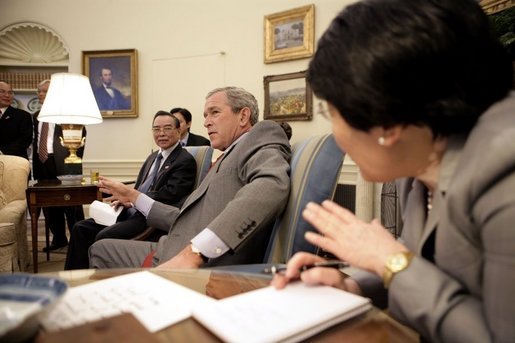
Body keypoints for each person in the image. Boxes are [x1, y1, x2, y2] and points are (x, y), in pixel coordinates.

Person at [272, 1, 515, 342]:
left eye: (330, 111)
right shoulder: (421, 155)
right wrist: (352, 283)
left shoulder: (506, 171)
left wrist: (391, 262)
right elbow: (422, 257)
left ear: (386, 123)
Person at [89, 87, 291, 269]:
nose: (206, 122)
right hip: (175, 244)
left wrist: (197, 252)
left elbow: (270, 186)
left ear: (243, 115)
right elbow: (187, 219)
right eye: (205, 115)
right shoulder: (228, 154)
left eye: (215, 112)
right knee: (100, 246)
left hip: (201, 261)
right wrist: (134, 197)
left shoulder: (262, 135)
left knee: (100, 250)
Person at [65, 111, 196, 269]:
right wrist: (124, 199)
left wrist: (132, 199)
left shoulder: (184, 160)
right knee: (80, 228)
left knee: (103, 236)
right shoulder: (152, 157)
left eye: (167, 128)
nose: (161, 133)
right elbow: (139, 187)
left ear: (178, 131)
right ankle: (74, 279)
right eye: (156, 129)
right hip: (129, 212)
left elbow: (170, 195)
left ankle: (97, 279)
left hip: (148, 220)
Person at [32, 79, 87, 251]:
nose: (41, 94)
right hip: (42, 163)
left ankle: (79, 241)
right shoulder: (36, 116)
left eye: (45, 91)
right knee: (49, 204)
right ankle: (59, 239)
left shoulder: (68, 115)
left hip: (65, 163)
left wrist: (73, 159)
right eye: (39, 92)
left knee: (72, 204)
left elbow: (81, 135)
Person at [0, 81, 32, 159]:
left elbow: (25, 140)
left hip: (15, 162)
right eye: (2, 92)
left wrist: (1, 152)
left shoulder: (23, 115)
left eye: (10, 93)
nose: (7, 95)